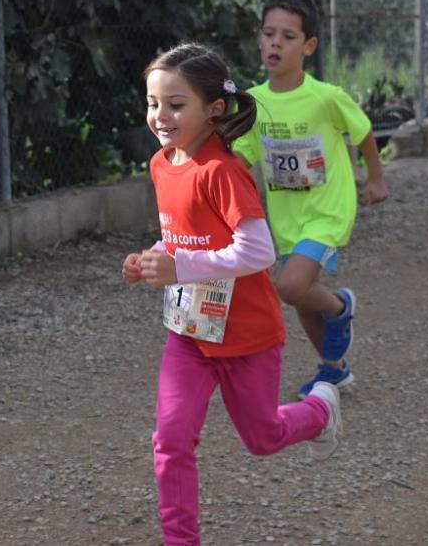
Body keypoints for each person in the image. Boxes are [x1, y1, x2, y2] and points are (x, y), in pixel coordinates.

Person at [121, 42, 342, 546]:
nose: (161, 116)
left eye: (176, 105)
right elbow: (181, 233)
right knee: (171, 440)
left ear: (213, 109)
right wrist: (152, 257)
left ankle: (320, 410)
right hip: (190, 335)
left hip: (248, 336)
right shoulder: (162, 164)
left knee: (262, 440)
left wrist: (179, 266)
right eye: (154, 103)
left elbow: (259, 251)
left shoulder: (223, 172)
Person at [232, 0, 389, 399]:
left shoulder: (325, 96)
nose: (275, 44)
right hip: (286, 218)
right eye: (269, 34)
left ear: (308, 46)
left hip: (328, 211)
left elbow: (363, 132)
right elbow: (242, 156)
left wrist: (376, 180)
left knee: (289, 286)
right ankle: (333, 370)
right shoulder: (253, 102)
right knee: (301, 301)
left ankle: (340, 307)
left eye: (287, 36)